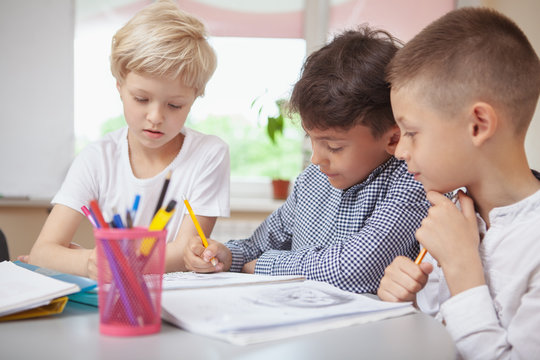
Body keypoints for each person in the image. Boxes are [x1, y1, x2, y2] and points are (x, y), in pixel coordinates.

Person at [184, 27, 429, 294]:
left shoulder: (412, 181)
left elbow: (355, 269)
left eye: (334, 146)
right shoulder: (313, 181)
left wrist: (262, 266)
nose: (316, 158)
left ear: (393, 139)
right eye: (310, 138)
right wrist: (226, 255)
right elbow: (258, 244)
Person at [377, 7, 540, 359]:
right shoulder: (453, 217)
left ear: (478, 125)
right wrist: (408, 307)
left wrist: (463, 267)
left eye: (412, 132)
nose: (400, 151)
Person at [28, 0, 230, 279]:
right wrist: (90, 261)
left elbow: (185, 253)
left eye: (175, 105)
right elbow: (41, 252)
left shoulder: (209, 153)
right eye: (141, 99)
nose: (156, 116)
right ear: (119, 87)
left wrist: (83, 259)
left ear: (195, 98)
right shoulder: (97, 157)